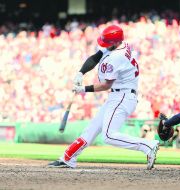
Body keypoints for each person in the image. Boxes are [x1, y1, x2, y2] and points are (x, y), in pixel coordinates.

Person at [48, 25, 159, 170]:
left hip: (123, 96)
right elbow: (95, 57)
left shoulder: (117, 57)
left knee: (108, 136)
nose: (105, 45)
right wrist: (81, 73)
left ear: (115, 42)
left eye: (108, 43)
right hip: (118, 95)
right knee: (91, 129)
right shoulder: (120, 45)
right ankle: (68, 158)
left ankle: (148, 145)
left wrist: (83, 89)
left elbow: (106, 85)